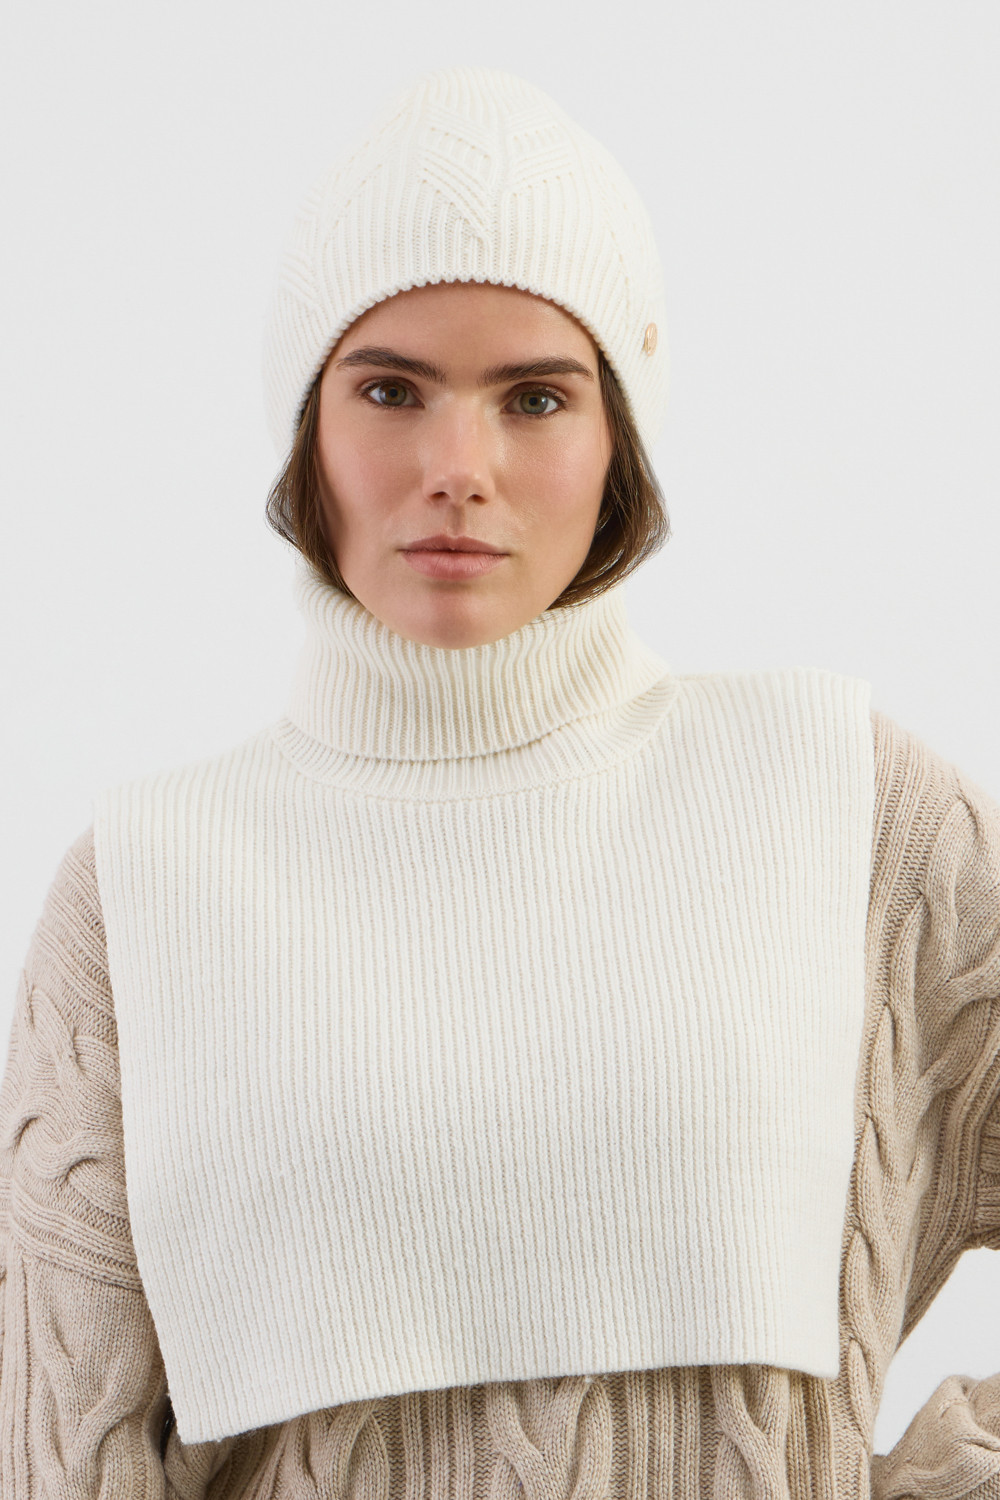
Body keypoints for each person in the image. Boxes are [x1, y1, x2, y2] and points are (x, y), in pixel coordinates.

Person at [2, 64, 999, 1500]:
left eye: (535, 397)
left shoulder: (843, 806)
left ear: (618, 438)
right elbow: (54, 1457)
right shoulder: (143, 890)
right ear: (306, 427)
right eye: (389, 389)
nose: (458, 466)